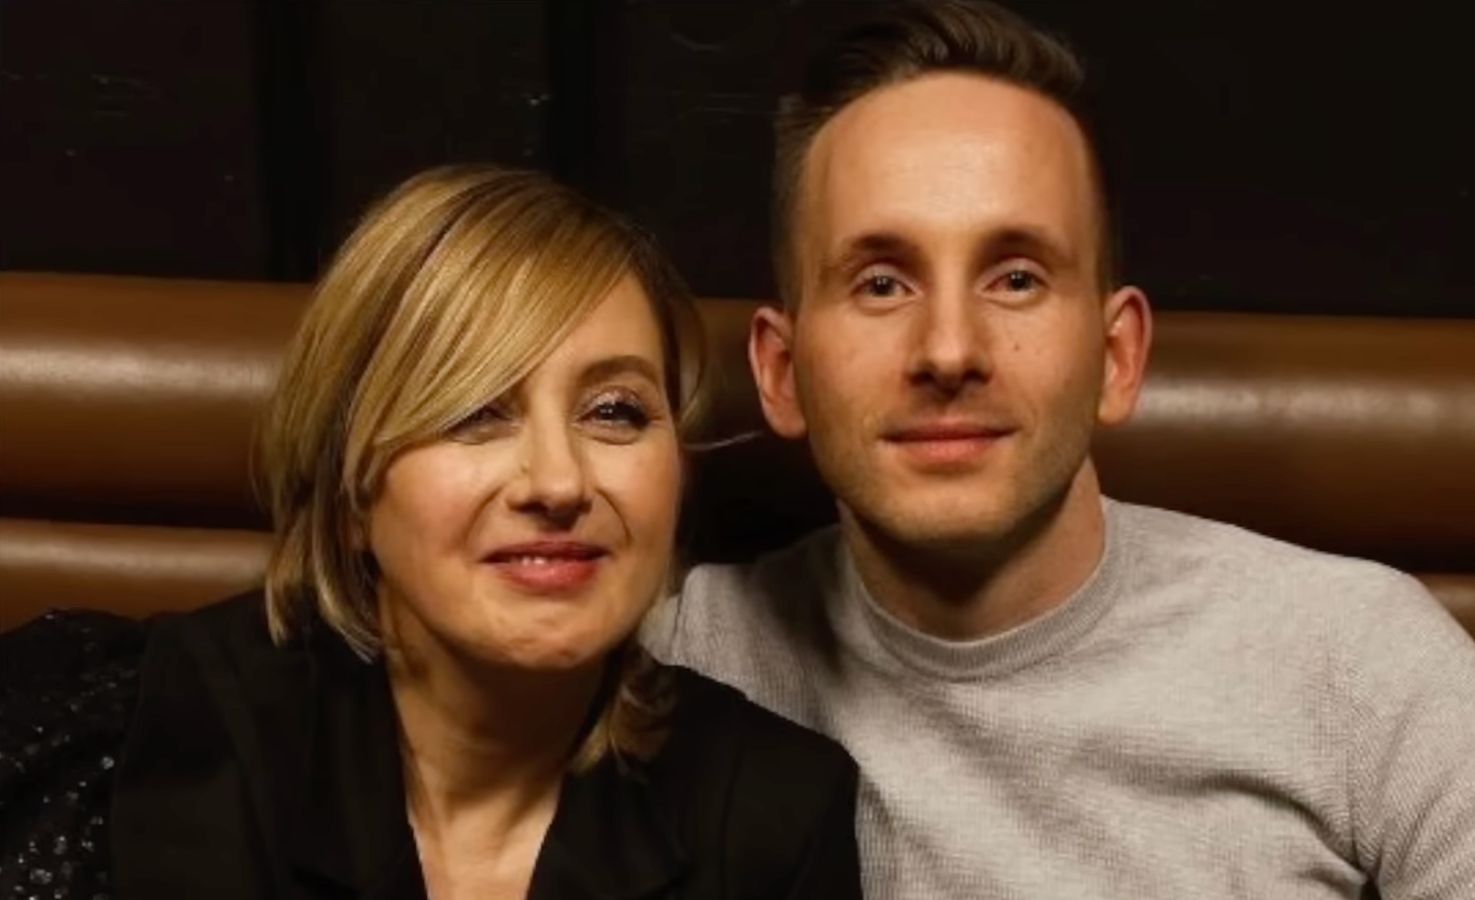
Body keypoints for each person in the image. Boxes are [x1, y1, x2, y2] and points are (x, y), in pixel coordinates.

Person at [644, 2, 1475, 898]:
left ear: (1116, 357)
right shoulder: (673, 663)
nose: (948, 351)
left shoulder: (1359, 665)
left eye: (1016, 278)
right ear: (780, 372)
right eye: (881, 283)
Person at [0, 166, 861, 899]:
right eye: (473, 413)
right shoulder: (102, 728)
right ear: (351, 492)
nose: (558, 483)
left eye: (614, 411)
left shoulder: (773, 815)